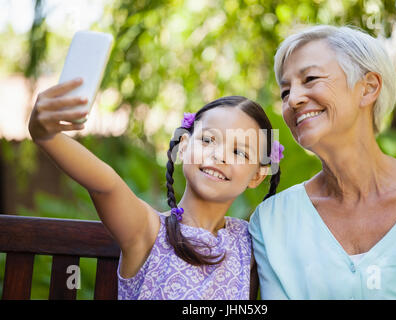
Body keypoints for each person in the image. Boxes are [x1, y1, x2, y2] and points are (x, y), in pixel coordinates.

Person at [28, 81, 283, 299]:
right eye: (208, 140)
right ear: (183, 146)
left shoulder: (249, 243)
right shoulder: (147, 230)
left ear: (258, 175)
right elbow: (106, 186)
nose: (219, 155)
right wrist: (44, 134)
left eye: (239, 152)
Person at [249, 25, 396, 299]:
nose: (293, 100)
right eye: (285, 92)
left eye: (310, 78)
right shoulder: (272, 221)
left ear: (367, 89)